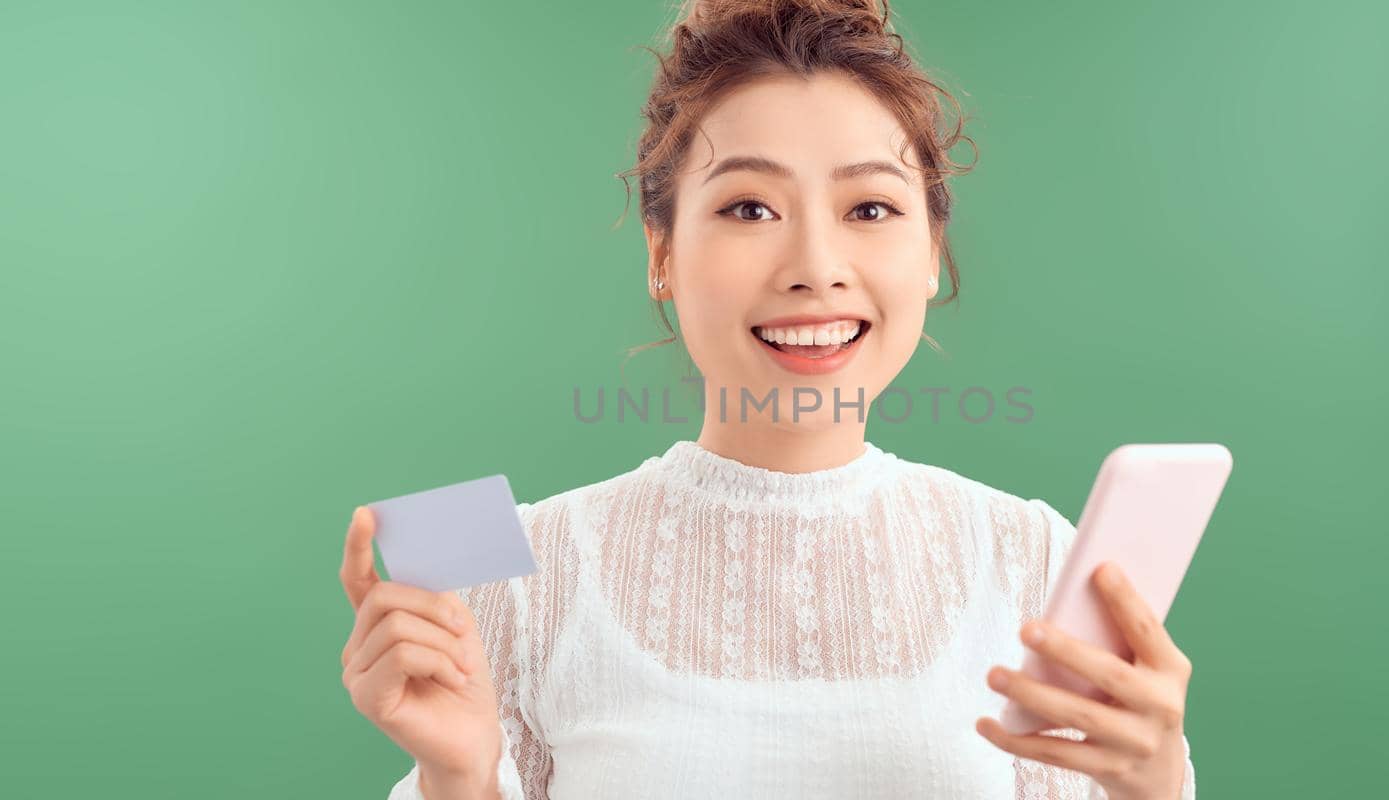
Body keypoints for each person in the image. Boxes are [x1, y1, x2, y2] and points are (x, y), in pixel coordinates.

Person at [339, 1, 1197, 797]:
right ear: (662, 254)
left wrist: (1152, 788)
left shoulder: (1041, 564)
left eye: (869, 207)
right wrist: (459, 781)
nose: (814, 266)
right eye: (750, 208)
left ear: (931, 252)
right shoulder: (512, 577)